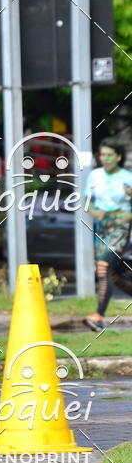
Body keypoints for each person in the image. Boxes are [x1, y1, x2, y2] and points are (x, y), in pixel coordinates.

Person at [83, 138, 132, 332]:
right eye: (102, 154)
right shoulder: (95, 176)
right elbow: (87, 201)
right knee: (114, 275)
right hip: (101, 228)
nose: (105, 158)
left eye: (109, 155)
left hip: (120, 227)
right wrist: (94, 211)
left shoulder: (127, 177)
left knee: (103, 268)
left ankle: (97, 317)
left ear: (119, 157)